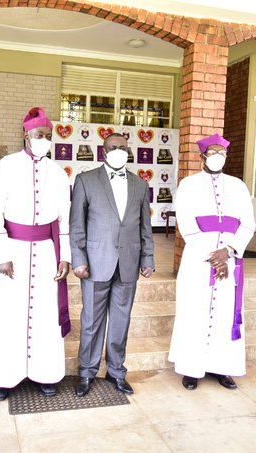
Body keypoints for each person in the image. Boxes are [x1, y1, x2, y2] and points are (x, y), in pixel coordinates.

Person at [0, 107, 71, 401]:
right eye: (38, 135)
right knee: (8, 314)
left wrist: (65, 256)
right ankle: (3, 379)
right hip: (14, 251)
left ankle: (45, 374)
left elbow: (65, 219)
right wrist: (1, 254)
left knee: (45, 314)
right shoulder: (5, 166)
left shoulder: (58, 173)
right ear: (26, 135)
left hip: (47, 252)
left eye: (47, 135)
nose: (43, 139)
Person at [70, 132, 154, 397]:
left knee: (121, 321)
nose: (119, 151)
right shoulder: (86, 180)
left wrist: (148, 258)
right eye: (113, 147)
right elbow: (76, 224)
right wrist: (79, 259)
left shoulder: (140, 185)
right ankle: (87, 371)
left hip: (128, 262)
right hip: (95, 263)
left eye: (123, 148)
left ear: (128, 151)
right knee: (91, 321)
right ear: (103, 151)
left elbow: (145, 227)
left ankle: (116, 371)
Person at [168, 134, 255, 391]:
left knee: (225, 314)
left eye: (222, 153)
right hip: (198, 259)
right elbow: (186, 225)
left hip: (230, 260)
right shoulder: (188, 185)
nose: (217, 157)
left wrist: (228, 251)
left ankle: (221, 367)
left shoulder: (238, 186)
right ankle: (191, 368)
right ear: (202, 156)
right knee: (194, 312)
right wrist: (213, 256)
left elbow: (248, 224)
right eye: (213, 152)